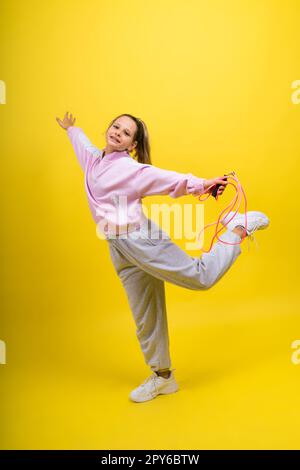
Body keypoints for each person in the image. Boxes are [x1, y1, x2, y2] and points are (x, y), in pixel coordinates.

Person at [56, 112, 269, 403]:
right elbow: (82, 144)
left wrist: (202, 184)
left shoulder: (129, 169)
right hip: (118, 247)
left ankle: (238, 228)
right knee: (145, 314)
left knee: (200, 277)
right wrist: (71, 128)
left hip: (140, 239)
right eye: (116, 126)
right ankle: (163, 377)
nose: (118, 132)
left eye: (126, 133)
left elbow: (167, 179)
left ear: (132, 145)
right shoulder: (94, 160)